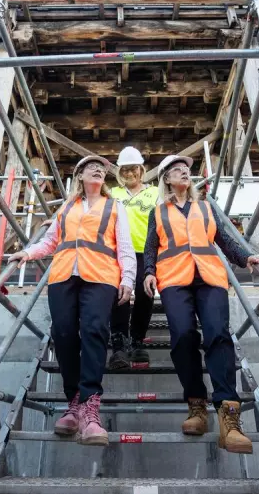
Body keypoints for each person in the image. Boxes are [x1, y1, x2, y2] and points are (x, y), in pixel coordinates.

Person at [142, 154, 259, 454]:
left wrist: (245, 256)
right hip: (173, 279)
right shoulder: (158, 212)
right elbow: (151, 246)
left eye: (186, 170)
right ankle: (196, 405)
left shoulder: (206, 207)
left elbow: (223, 239)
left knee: (217, 334)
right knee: (183, 336)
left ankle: (229, 416)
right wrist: (148, 273)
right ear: (167, 180)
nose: (184, 173)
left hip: (210, 277)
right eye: (176, 171)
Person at [10, 155, 136, 446]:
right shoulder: (67, 207)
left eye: (102, 169)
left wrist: (127, 279)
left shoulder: (114, 206)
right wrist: (27, 253)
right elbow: (51, 241)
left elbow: (126, 246)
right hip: (64, 275)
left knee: (94, 331)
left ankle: (90, 407)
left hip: (101, 276)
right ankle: (75, 401)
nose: (98, 170)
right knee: (63, 334)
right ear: (79, 175)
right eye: (91, 167)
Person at [109, 146, 159, 368]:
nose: (129, 174)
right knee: (120, 294)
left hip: (146, 252)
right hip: (118, 252)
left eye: (133, 170)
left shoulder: (156, 193)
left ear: (141, 170)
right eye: (125, 170)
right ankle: (119, 344)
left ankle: (137, 341)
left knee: (145, 293)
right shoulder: (113, 194)